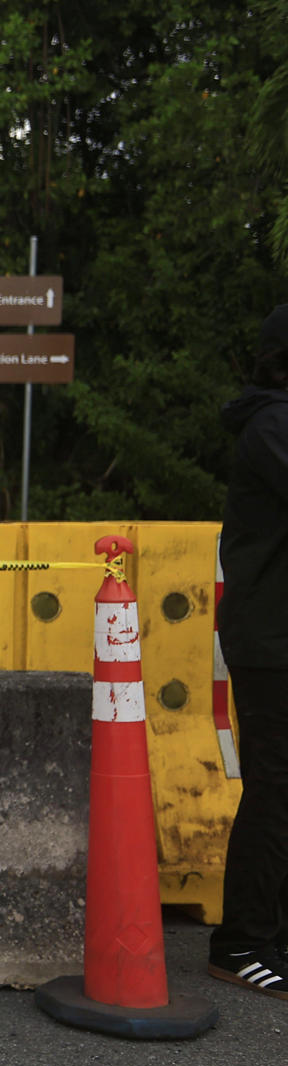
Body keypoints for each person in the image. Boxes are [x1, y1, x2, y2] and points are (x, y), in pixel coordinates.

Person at [209, 304, 288, 998]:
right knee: (275, 785)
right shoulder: (272, 424)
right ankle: (242, 941)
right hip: (271, 637)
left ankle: (273, 931)